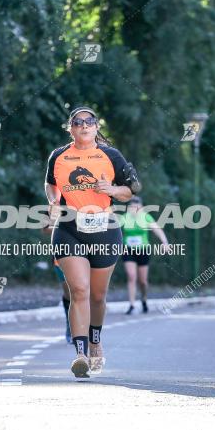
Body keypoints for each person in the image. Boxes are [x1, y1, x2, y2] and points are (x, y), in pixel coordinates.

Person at [45, 106, 139, 378]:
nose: (84, 125)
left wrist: (111, 189)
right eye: (78, 122)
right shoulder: (58, 156)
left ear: (97, 127)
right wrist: (53, 201)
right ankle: (80, 354)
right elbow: (50, 183)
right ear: (70, 128)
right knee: (80, 290)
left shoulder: (111, 156)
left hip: (105, 229)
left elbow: (130, 190)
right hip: (68, 228)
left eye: (89, 121)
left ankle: (96, 341)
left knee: (98, 296)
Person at [121, 196, 170, 314]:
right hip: (128, 249)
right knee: (131, 276)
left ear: (142, 207)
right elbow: (113, 229)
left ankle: (143, 299)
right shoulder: (124, 218)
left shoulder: (146, 217)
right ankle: (132, 305)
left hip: (143, 250)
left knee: (143, 281)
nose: (134, 209)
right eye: (132, 207)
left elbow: (157, 230)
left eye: (137, 207)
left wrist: (165, 242)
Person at [42, 224, 72, 343]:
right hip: (62, 252)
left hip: (83, 250)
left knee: (83, 289)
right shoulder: (54, 206)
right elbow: (44, 229)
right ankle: (70, 324)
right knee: (69, 291)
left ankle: (83, 328)